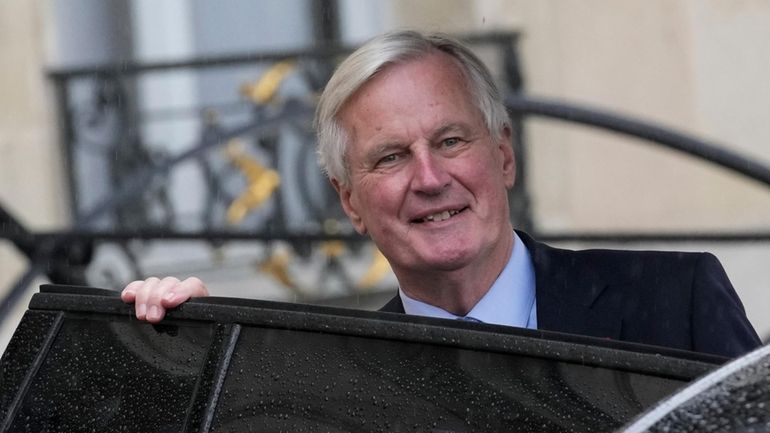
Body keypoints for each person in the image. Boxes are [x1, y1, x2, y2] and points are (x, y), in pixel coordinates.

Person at [122, 30, 761, 358]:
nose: (429, 179)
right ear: (349, 202)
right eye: (391, 156)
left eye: (451, 141)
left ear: (504, 155)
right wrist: (193, 350)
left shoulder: (678, 303)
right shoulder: (334, 377)